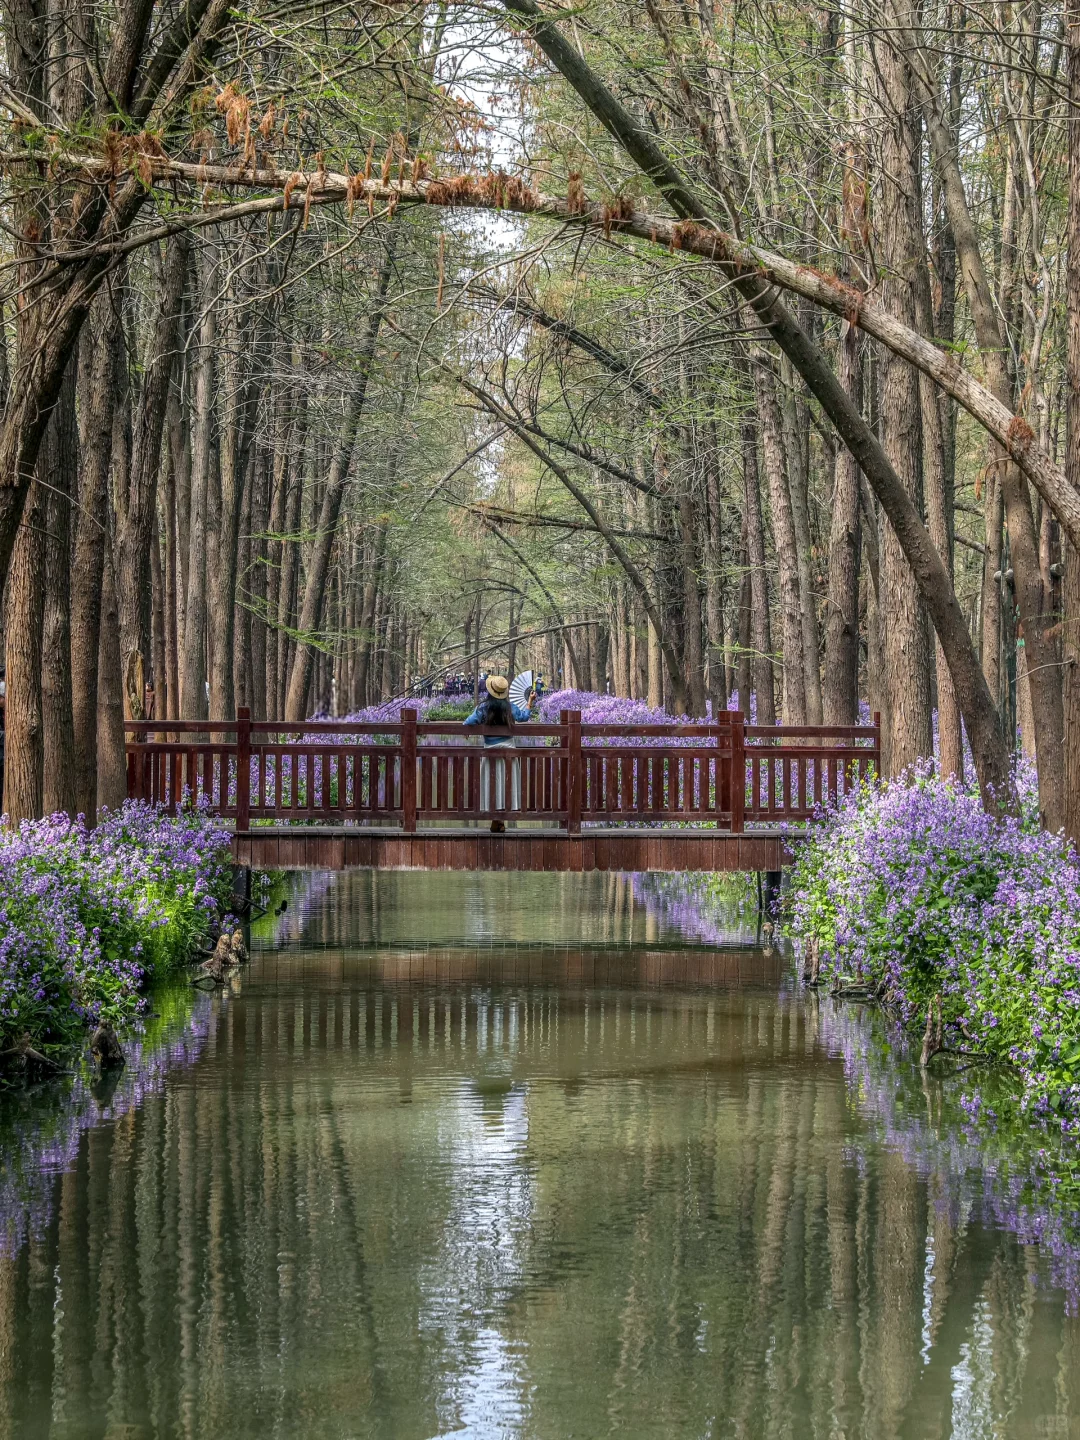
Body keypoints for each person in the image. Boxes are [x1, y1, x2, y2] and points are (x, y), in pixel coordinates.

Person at [463, 674, 536, 831]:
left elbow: (469, 721)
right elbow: (523, 717)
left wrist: (466, 728)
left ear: (490, 691)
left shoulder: (483, 708)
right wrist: (530, 702)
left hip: (490, 753)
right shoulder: (510, 708)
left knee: (493, 785)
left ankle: (497, 819)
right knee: (506, 784)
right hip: (509, 752)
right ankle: (500, 820)